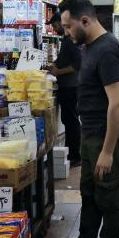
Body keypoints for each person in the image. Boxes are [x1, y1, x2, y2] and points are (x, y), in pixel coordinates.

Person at [52, 0, 119, 238]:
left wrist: (108, 151)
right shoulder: (90, 47)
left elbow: (118, 103)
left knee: (108, 196)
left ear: (85, 21)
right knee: (89, 192)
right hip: (91, 134)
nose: (66, 32)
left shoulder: (107, 50)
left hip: (106, 137)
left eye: (68, 26)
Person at [47, 13, 82, 169]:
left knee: (71, 121)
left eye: (55, 25)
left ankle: (75, 156)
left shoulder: (70, 41)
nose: (54, 29)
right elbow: (65, 60)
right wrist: (54, 64)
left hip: (70, 87)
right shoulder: (66, 40)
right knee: (69, 121)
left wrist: (57, 72)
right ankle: (72, 154)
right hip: (68, 86)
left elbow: (77, 64)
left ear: (62, 23)